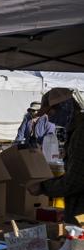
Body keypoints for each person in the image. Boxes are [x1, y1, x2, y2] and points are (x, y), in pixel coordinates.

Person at [28, 88, 84, 224]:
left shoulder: (80, 133)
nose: (49, 117)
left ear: (65, 107)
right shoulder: (75, 130)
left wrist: (43, 187)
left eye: (50, 112)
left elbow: (74, 181)